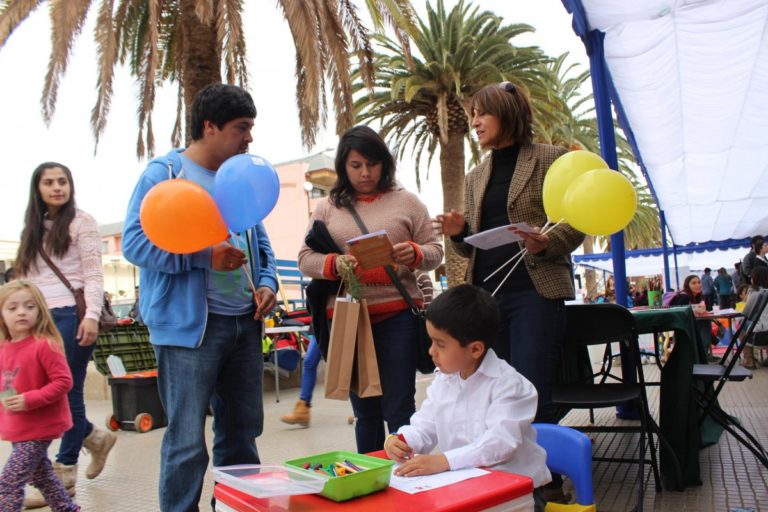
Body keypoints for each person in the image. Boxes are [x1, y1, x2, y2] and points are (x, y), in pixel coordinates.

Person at [122, 83, 278, 511]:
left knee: (242, 433)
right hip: (188, 333)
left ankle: (236, 506)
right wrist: (202, 257)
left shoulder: (241, 173)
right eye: (241, 128)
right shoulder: (164, 173)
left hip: (244, 326)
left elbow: (259, 242)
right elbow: (135, 244)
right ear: (209, 127)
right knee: (186, 441)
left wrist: (267, 284)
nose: (249, 138)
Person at [434, 82, 584, 425]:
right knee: (495, 394)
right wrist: (460, 234)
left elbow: (576, 219)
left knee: (532, 392)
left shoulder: (551, 159)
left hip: (535, 292)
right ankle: (507, 474)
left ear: (507, 113)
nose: (475, 121)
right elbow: (471, 245)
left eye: (482, 112)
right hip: (487, 299)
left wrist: (548, 242)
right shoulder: (475, 177)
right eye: (473, 114)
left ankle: (546, 476)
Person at [298, 125, 443, 453]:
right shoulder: (326, 208)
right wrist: (335, 264)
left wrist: (416, 253)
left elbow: (435, 252)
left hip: (398, 319)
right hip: (349, 319)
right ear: (343, 167)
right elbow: (305, 259)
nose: (365, 173)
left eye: (372, 163)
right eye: (355, 165)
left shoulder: (408, 202)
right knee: (365, 414)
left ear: (385, 163)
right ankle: (370, 486)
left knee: (400, 409)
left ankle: (409, 483)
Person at [384, 284, 550, 511]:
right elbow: (425, 424)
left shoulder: (511, 386)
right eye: (431, 341)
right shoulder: (445, 379)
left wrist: (443, 461)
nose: (431, 351)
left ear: (475, 350)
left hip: (517, 492)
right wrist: (401, 440)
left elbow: (500, 443)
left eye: (440, 344)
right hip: (464, 485)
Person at [15, 162, 115, 507]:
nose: (57, 188)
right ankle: (93, 437)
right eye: (49, 182)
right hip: (40, 319)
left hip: (72, 315)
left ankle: (65, 469)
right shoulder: (31, 227)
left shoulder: (81, 221)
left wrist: (90, 315)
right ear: (38, 188)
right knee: (44, 391)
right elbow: (25, 278)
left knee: (65, 390)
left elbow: (94, 274)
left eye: (62, 181)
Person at [0, 280, 79, 511]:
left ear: (40, 310)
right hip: (18, 426)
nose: (21, 312)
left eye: (29, 306)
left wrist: (29, 400)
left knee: (9, 482)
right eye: (12, 308)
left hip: (40, 426)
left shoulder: (44, 345)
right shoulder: (4, 348)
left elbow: (64, 382)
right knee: (42, 476)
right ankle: (66, 508)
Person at [740, 267, 768, 369]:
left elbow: (747, 313)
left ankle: (749, 360)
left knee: (741, 324)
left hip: (759, 335)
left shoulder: (754, 292)